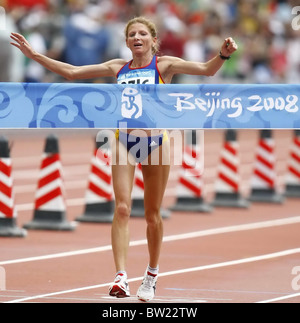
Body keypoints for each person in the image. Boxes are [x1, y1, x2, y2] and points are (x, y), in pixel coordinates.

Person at [10, 16, 238, 302]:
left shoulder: (165, 65)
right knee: (122, 208)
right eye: (132, 34)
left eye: (143, 34)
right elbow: (70, 72)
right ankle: (120, 277)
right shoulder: (117, 67)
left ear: (154, 41)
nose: (137, 38)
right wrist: (34, 56)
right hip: (124, 142)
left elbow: (206, 70)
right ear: (127, 41)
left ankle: (152, 274)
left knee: (152, 215)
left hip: (156, 143)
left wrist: (223, 55)